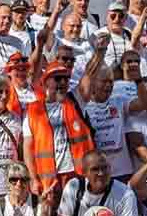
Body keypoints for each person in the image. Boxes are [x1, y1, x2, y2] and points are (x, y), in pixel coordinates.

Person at [23, 62, 95, 195]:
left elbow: (90, 73)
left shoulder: (76, 100)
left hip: (79, 174)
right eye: (57, 78)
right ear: (45, 83)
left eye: (66, 78)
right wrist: (33, 179)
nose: (62, 82)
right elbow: (27, 149)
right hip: (50, 180)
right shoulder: (32, 110)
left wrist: (100, 51)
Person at [77, 60, 142, 181]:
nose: (108, 85)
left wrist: (139, 81)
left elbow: (145, 103)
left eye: (111, 81)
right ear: (93, 83)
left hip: (123, 171)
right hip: (98, 174)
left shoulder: (119, 101)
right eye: (104, 81)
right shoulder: (82, 107)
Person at [100, 2, 133, 70]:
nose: (117, 19)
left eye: (121, 16)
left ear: (126, 18)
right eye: (113, 16)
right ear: (107, 16)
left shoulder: (129, 34)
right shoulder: (98, 34)